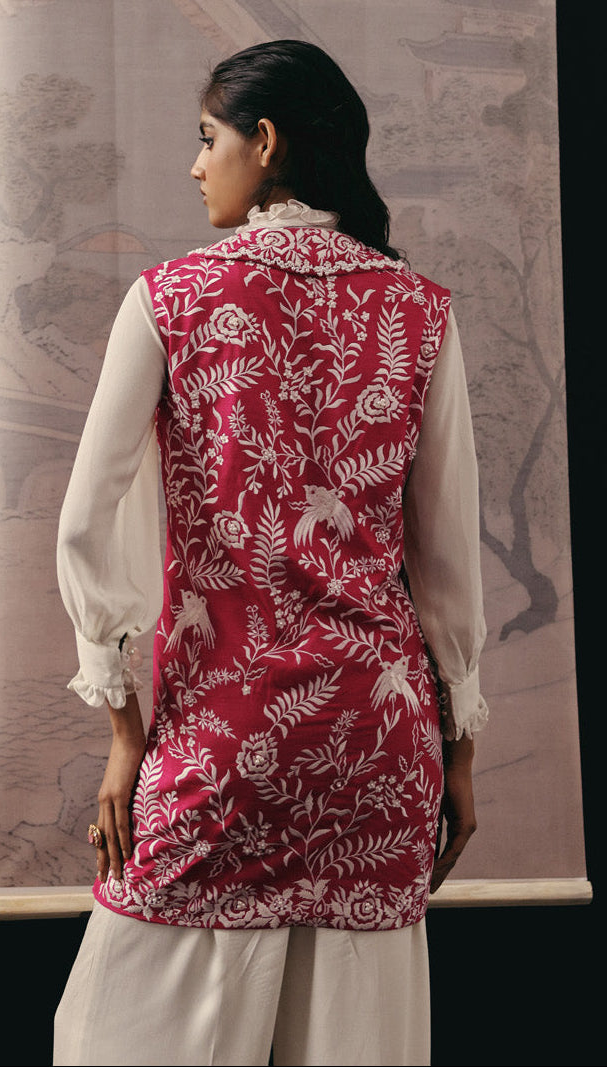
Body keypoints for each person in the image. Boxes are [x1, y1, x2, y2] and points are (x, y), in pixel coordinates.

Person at [54, 38, 488, 1067]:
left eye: (207, 139)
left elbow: (84, 524)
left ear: (266, 141)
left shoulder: (170, 299)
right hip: (379, 748)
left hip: (223, 746)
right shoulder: (420, 310)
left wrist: (125, 731)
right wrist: (458, 748)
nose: (195, 164)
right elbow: (447, 557)